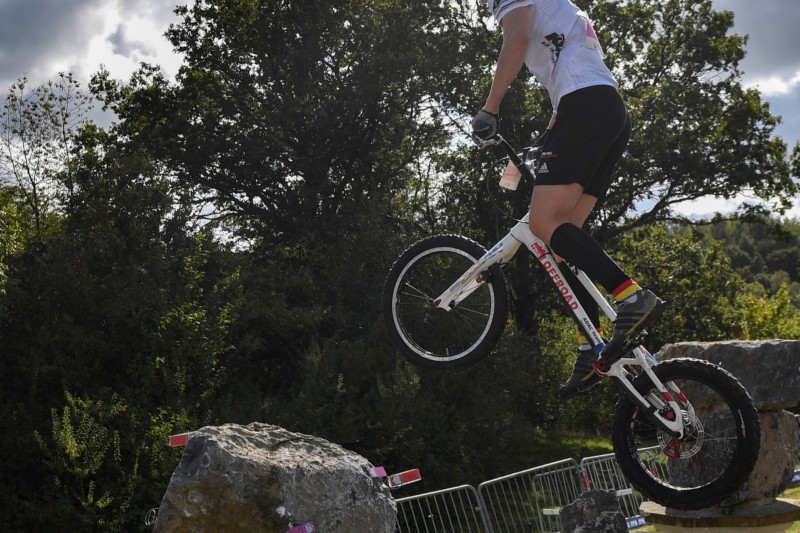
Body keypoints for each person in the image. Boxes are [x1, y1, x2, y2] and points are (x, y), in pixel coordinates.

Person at [471, 0, 663, 397]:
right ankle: (588, 345)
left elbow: (518, 37)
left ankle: (632, 296)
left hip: (585, 107)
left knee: (543, 223)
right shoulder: (562, 7)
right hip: (606, 111)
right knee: (561, 239)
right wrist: (543, 144)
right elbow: (568, 94)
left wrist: (490, 109)